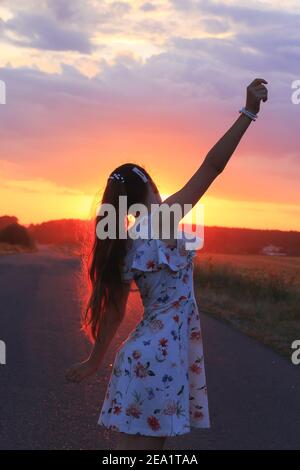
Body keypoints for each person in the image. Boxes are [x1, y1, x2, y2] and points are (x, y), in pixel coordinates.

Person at [66, 78, 268, 450]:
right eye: (158, 189)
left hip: (144, 353)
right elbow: (211, 167)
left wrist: (95, 361)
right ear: (150, 192)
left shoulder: (122, 243)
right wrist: (248, 113)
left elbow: (111, 311)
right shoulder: (162, 220)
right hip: (161, 355)